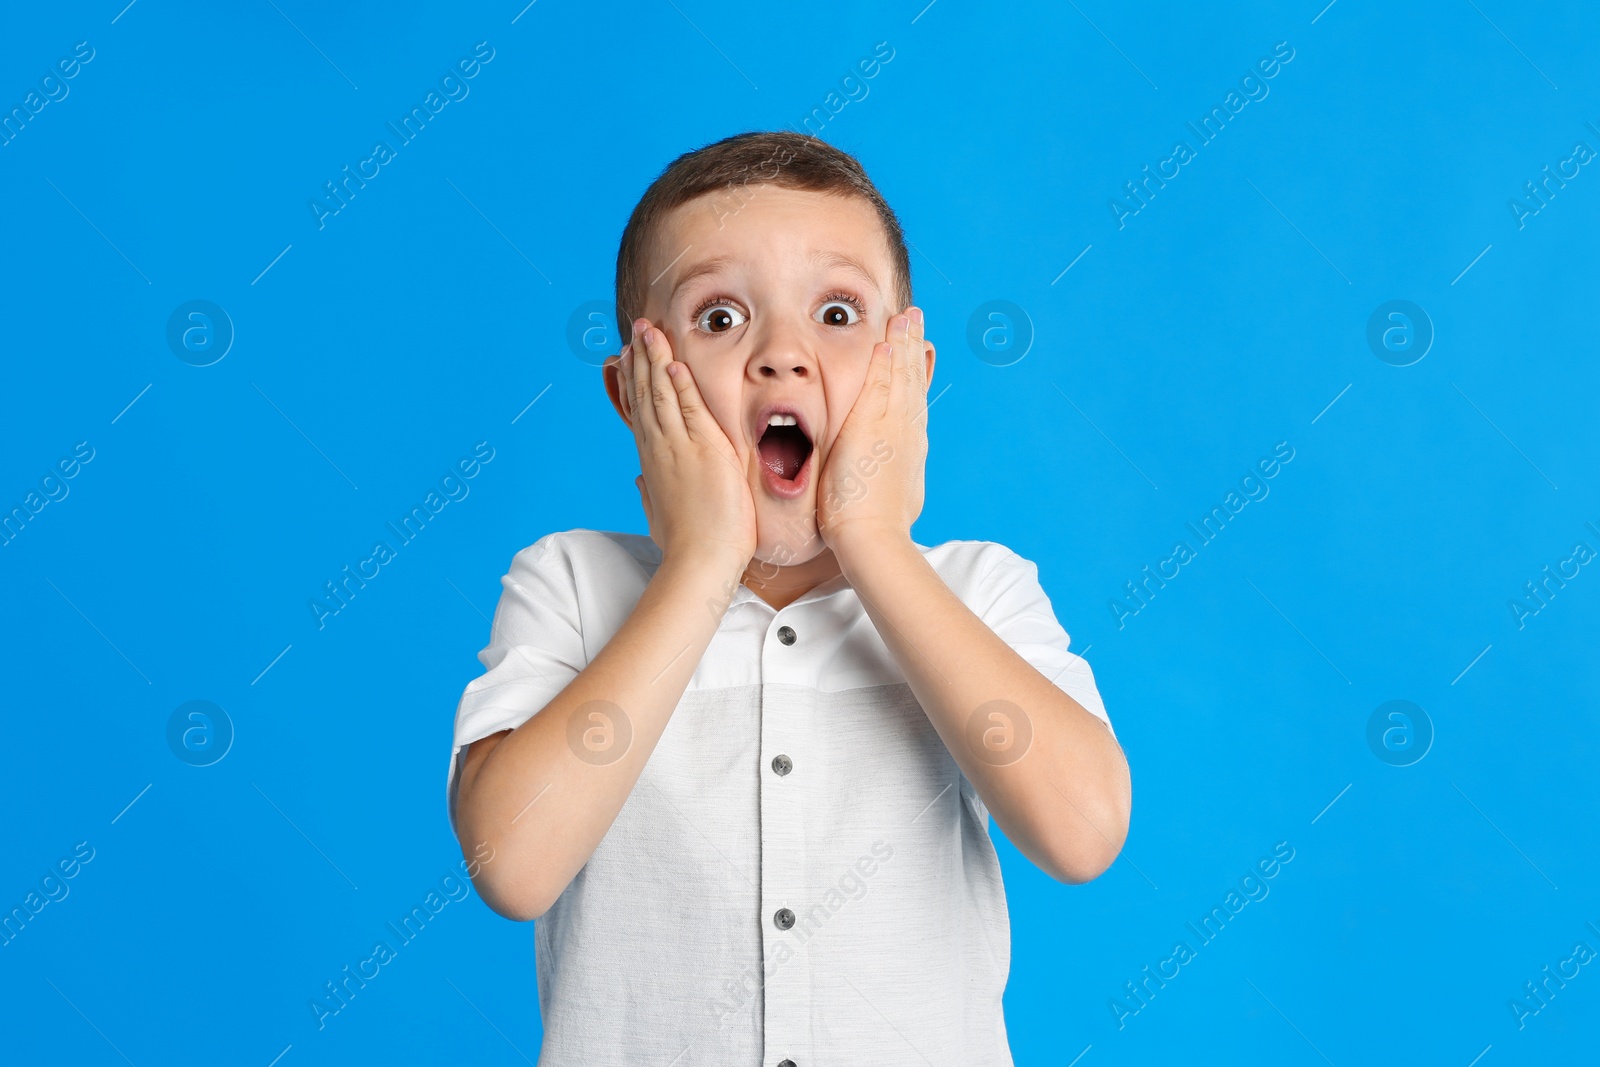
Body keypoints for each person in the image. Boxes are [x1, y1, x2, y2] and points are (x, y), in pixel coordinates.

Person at [446, 130, 1131, 1066]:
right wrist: (700, 563)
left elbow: (1084, 831)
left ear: (912, 377)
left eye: (839, 313)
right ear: (634, 393)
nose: (784, 355)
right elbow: (511, 866)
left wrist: (875, 542)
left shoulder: (980, 590)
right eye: (720, 317)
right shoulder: (570, 582)